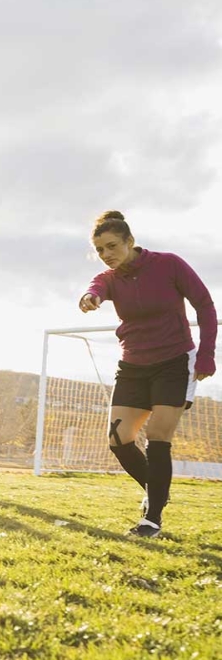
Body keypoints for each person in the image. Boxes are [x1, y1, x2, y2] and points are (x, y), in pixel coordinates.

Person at [80, 210, 217, 538]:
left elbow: (205, 305)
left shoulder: (169, 264)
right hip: (133, 365)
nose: (106, 255)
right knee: (118, 438)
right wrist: (90, 296)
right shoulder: (110, 278)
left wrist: (207, 355)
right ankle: (158, 489)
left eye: (112, 246)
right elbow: (96, 285)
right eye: (100, 250)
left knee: (158, 434)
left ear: (130, 241)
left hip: (173, 361)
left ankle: (152, 519)